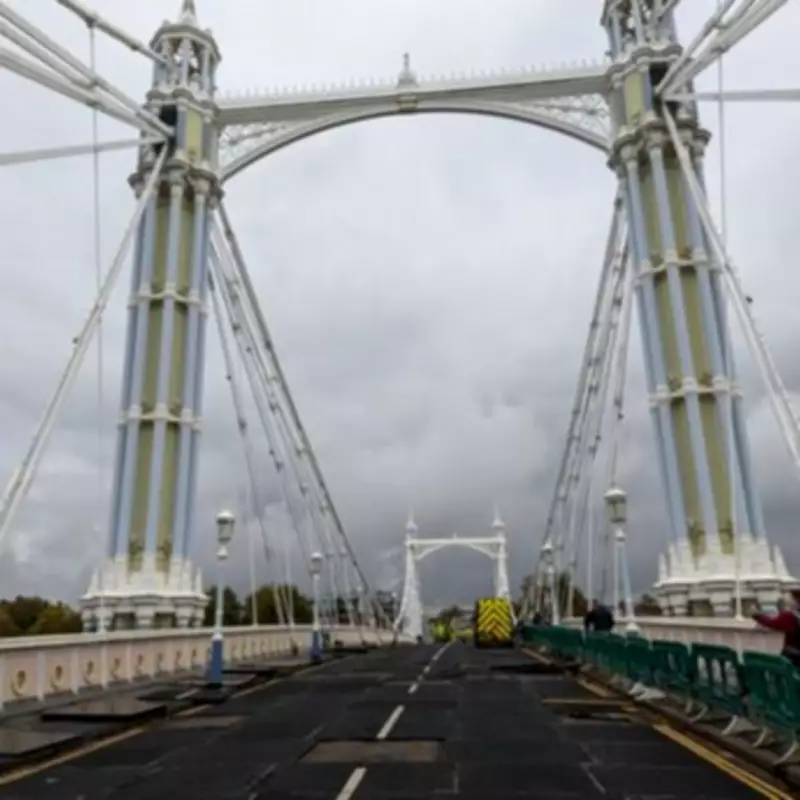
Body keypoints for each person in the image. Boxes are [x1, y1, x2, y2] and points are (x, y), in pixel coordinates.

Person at [753, 589, 800, 668]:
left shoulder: (789, 616)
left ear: (795, 600)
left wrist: (756, 615)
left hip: (794, 657)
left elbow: (772, 623)